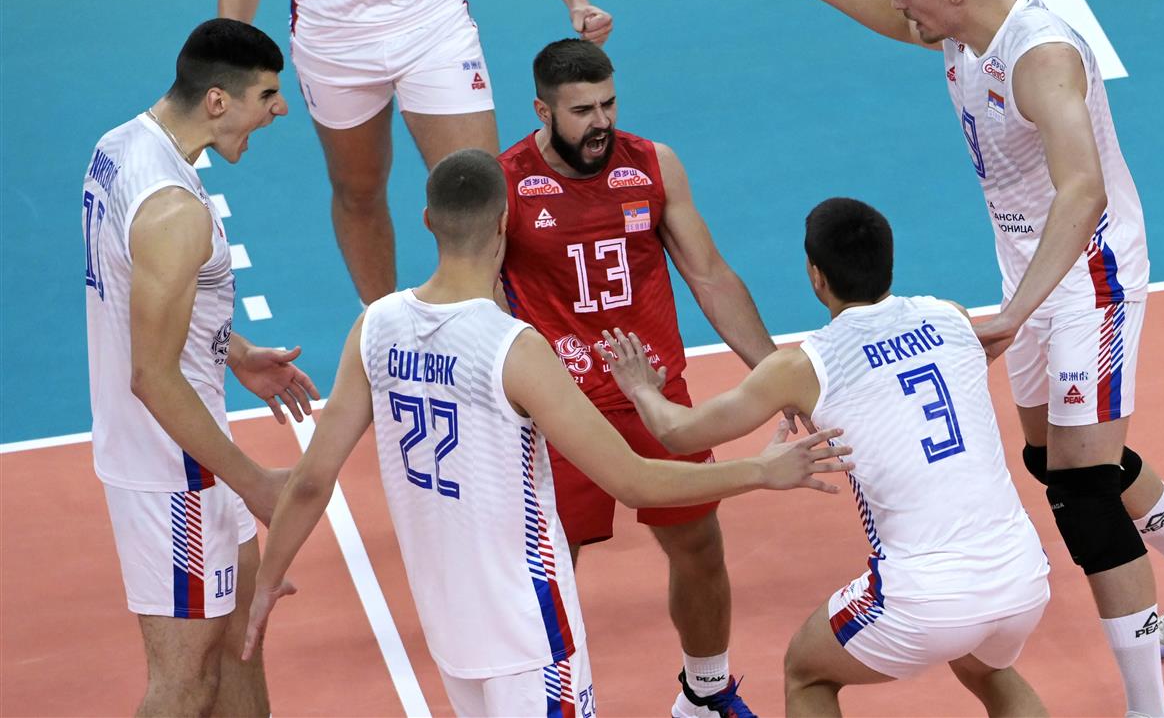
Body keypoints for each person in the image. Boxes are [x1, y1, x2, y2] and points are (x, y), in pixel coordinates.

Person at [704, 0, 1164, 714]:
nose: (900, 5)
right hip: (1031, 270)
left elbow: (1085, 190)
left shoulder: (1040, 58)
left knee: (1084, 486)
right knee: (1051, 459)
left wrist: (1014, 313)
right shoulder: (963, 32)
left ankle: (1149, 705)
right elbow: (897, 21)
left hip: (1090, 275)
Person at [238, 149, 850, 717]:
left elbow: (312, 480)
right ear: (505, 224)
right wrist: (761, 471)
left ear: (427, 221)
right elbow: (634, 481)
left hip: (451, 630)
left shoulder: (375, 327)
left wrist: (267, 581)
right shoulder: (514, 349)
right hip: (529, 636)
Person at [597, 197, 1051, 718]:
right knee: (986, 666)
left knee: (807, 670)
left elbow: (677, 434)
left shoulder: (803, 366)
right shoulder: (950, 316)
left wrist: (640, 387)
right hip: (1023, 576)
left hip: (924, 595)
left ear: (816, 276)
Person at [499, 39, 787, 717]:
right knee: (552, 571)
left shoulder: (653, 165)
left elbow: (709, 275)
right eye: (581, 111)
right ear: (542, 110)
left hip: (654, 396)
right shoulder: (506, 182)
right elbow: (483, 299)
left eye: (608, 104)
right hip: (558, 407)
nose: (600, 122)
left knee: (699, 545)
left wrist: (777, 374)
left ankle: (705, 693)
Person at [219, 0, 613, 304]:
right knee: (358, 189)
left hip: (433, 21)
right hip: (334, 33)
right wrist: (229, 64)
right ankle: (380, 322)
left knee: (480, 193)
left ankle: (485, 327)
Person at [82, 18, 320, 716]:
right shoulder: (173, 210)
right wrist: (255, 482)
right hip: (173, 472)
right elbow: (152, 376)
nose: (280, 109)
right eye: (267, 95)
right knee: (185, 683)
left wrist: (233, 350)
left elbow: (133, 290)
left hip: (193, 449)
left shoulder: (119, 147)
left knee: (241, 641)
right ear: (217, 100)